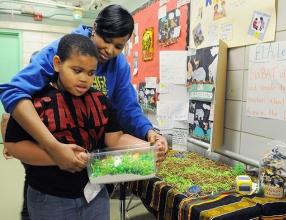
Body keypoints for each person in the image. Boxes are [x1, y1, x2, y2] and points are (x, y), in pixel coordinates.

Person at [5, 33, 160, 220]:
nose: (84, 79)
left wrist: (149, 148)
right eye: (77, 70)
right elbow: (14, 145)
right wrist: (56, 156)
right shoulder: (35, 101)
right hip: (49, 198)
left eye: (90, 73)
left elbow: (115, 138)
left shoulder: (100, 100)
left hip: (95, 195)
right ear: (57, 63)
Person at [0, 4, 167, 175]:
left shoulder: (119, 65)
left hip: (91, 161)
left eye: (118, 46)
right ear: (95, 27)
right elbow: (14, 92)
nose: (109, 50)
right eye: (106, 40)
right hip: (52, 163)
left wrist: (149, 133)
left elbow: (127, 109)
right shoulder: (66, 50)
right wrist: (54, 148)